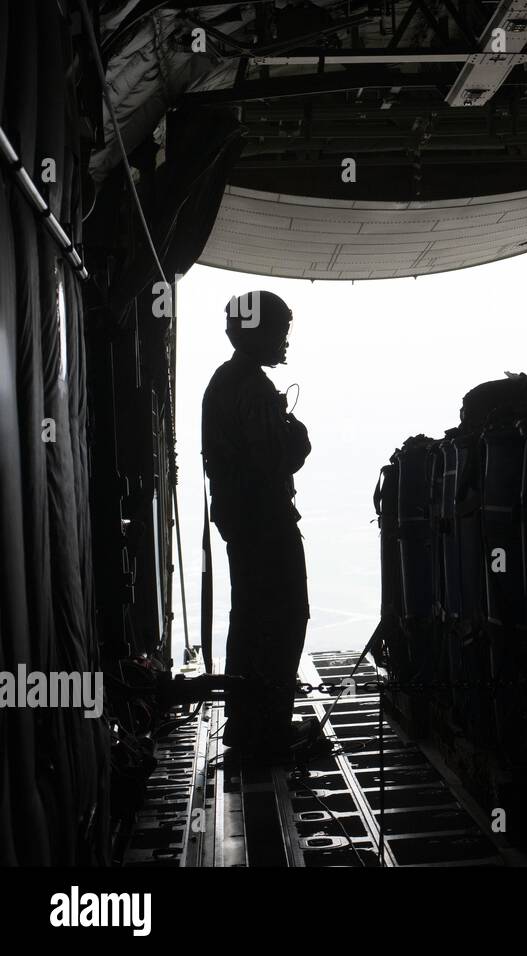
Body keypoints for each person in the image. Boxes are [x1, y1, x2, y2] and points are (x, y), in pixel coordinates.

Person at [201, 291, 311, 754]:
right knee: (283, 616)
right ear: (256, 331)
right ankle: (269, 728)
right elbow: (273, 459)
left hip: (243, 521)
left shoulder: (225, 381)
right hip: (266, 520)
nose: (285, 340)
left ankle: (249, 724)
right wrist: (299, 440)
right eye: (280, 330)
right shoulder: (251, 387)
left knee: (249, 617)